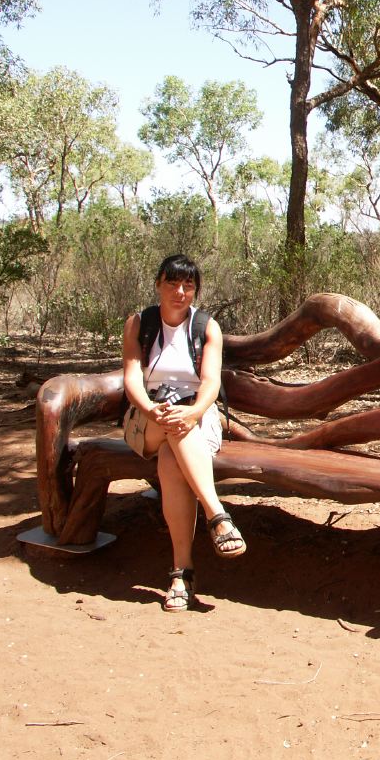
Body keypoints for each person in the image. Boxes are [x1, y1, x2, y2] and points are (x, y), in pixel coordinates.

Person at [122, 254, 246, 612]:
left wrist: (191, 412)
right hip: (147, 417)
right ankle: (217, 516)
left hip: (194, 414)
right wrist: (149, 408)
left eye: (188, 285)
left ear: (196, 290)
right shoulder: (138, 324)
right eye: (172, 283)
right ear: (158, 284)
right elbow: (132, 376)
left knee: (172, 457)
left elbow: (210, 382)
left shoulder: (206, 327)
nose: (180, 292)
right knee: (172, 428)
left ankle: (181, 574)